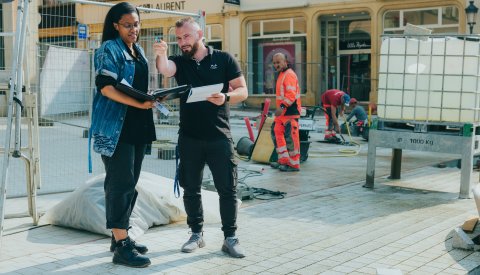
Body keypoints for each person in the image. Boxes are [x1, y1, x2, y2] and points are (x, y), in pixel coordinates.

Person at [153, 17, 248, 258]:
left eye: (186, 37)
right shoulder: (180, 62)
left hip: (219, 136)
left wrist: (226, 96)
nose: (182, 42)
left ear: (199, 34)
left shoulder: (224, 59)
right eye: (178, 38)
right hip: (190, 137)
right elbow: (165, 69)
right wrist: (161, 53)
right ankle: (196, 234)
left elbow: (243, 91)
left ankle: (230, 238)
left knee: (227, 188)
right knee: (191, 188)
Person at [89, 2, 155, 268]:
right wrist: (140, 103)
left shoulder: (137, 50)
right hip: (116, 127)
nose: (134, 29)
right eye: (128, 25)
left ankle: (120, 237)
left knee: (131, 182)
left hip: (137, 125)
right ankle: (122, 245)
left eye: (137, 24)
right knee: (120, 183)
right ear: (115, 25)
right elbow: (106, 88)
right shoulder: (109, 49)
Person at [270, 53, 302, 172]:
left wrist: (282, 106)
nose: (276, 65)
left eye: (278, 62)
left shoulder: (289, 75)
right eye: (274, 63)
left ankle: (294, 164)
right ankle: (283, 160)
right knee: (277, 133)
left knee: (291, 138)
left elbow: (291, 95)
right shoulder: (282, 74)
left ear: (285, 62)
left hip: (290, 112)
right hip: (283, 113)